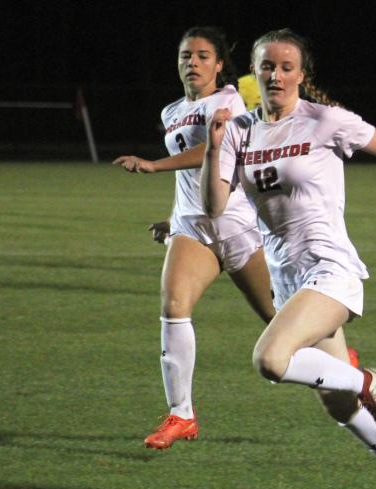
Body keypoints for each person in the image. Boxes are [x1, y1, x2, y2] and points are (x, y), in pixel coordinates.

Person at [202, 28, 376, 489]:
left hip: (329, 267)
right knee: (338, 405)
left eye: (285, 67)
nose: (275, 74)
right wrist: (214, 148)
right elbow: (216, 206)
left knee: (271, 361)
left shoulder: (323, 120)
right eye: (267, 66)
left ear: (301, 74)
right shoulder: (238, 130)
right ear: (253, 72)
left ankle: (368, 382)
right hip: (289, 279)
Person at [113, 27, 276, 450]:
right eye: (187, 55)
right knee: (173, 306)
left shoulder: (228, 101)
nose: (193, 62)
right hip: (192, 227)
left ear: (220, 64)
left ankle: (345, 370)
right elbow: (190, 178)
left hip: (237, 225)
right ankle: (181, 414)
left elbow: (218, 154)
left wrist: (153, 164)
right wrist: (172, 222)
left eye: (204, 56)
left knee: (280, 322)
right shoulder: (171, 111)